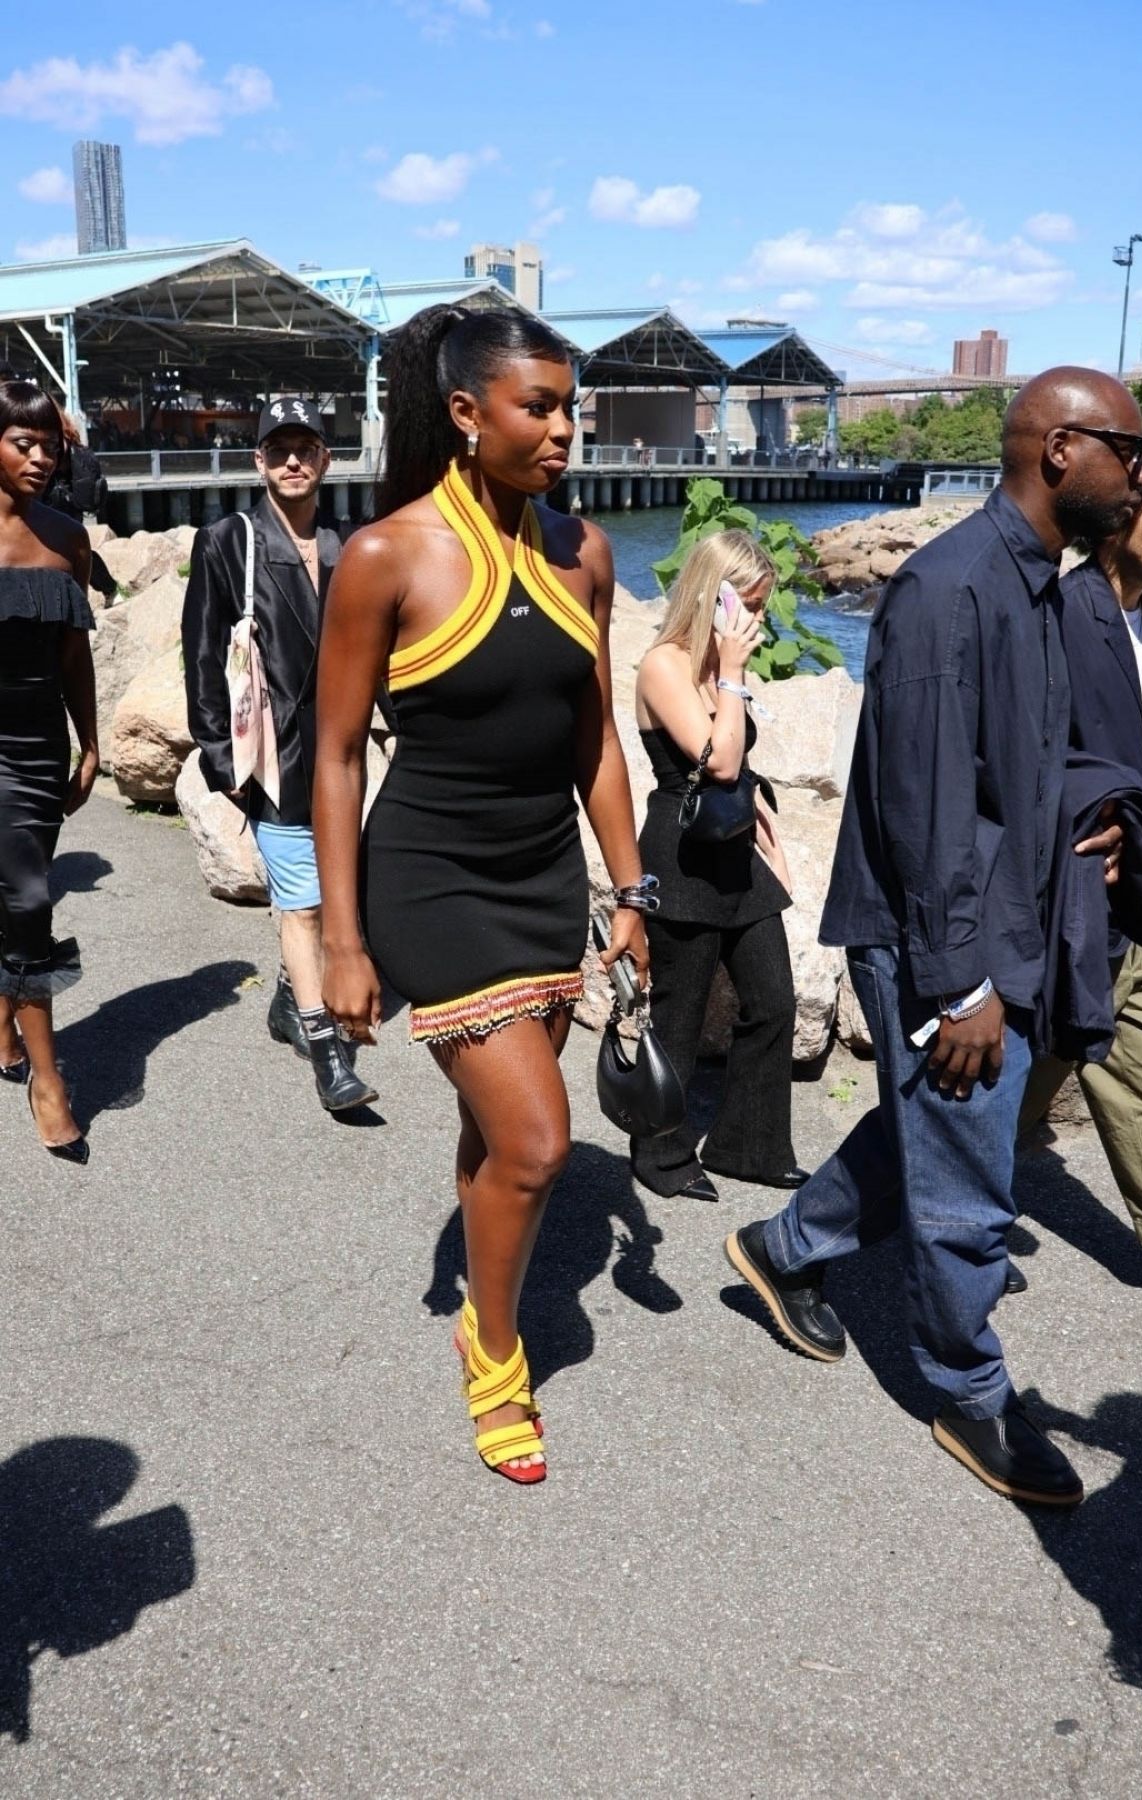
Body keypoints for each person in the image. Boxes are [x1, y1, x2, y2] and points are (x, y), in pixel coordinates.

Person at [723, 366, 1142, 1507]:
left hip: (1001, 913)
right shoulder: (949, 589)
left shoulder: (1043, 586)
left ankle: (783, 1249)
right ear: (1062, 449)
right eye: (1130, 451)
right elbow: (923, 810)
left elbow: (1024, 764)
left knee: (943, 1131)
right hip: (943, 935)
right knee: (970, 1183)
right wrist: (961, 987)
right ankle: (970, 1392)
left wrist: (1099, 818)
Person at [313, 306, 650, 1484]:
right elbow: (338, 755)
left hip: (544, 875)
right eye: (539, 407)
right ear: (467, 414)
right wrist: (343, 943)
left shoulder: (585, 554)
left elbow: (596, 741)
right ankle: (494, 1351)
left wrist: (631, 886)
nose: (565, 429)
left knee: (490, 1133)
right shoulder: (384, 556)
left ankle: (484, 1276)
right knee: (541, 1141)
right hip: (433, 879)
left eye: (571, 406)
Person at [1019, 439, 1142, 1321]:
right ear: (1122, 515)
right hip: (1067, 894)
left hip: (1132, 894)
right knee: (992, 1087)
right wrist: (1098, 825)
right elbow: (1030, 752)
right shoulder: (1064, 608)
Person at [182, 397, 375, 1114]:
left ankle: (291, 998)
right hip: (276, 752)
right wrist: (219, 759)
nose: (292, 460)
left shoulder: (354, 543)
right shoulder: (229, 541)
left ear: (326, 459)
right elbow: (202, 652)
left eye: (307, 448)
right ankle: (326, 1051)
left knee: (337, 891)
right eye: (278, 448)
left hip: (346, 748)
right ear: (258, 460)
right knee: (306, 903)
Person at [630, 529, 804, 1201]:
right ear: (714, 594)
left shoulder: (720, 664)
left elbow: (741, 770)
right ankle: (660, 1154)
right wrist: (731, 671)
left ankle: (747, 1145)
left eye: (763, 605)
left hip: (735, 853)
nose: (756, 620)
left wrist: (772, 843)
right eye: (749, 603)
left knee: (773, 1001)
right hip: (682, 857)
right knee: (680, 1012)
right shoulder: (664, 665)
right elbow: (717, 760)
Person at [0, 379, 98, 1162]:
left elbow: (75, 653)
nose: (39, 458)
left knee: (25, 897)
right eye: (21, 442)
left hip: (36, 749)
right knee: (22, 897)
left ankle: (12, 1027)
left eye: (49, 445)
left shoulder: (67, 538)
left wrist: (91, 740)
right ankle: (49, 1077)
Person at [42, 412, 116, 602]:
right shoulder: (72, 442)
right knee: (76, 551)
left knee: (67, 552)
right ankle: (109, 589)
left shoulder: (57, 441)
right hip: (69, 507)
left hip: (55, 505)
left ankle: (104, 590)